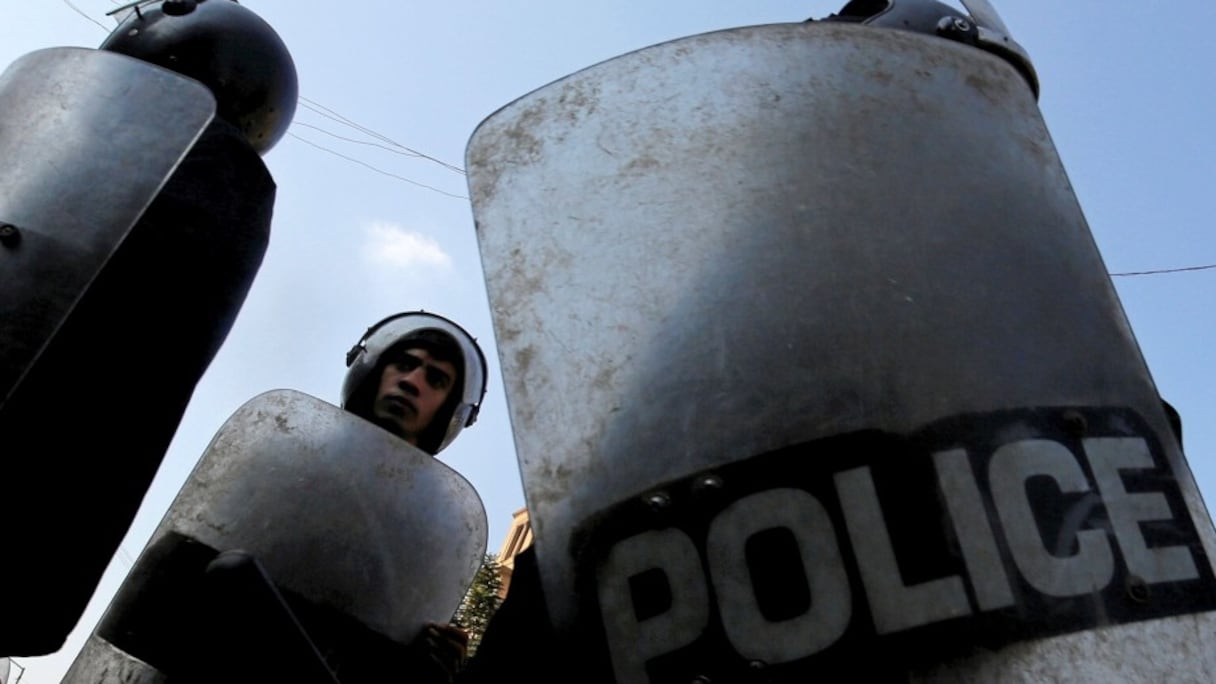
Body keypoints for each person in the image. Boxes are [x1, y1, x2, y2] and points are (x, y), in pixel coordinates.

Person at [339, 311, 490, 682]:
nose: (411, 381)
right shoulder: (287, 456)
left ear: (449, 412)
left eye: (435, 379)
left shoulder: (435, 532)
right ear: (373, 371)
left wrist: (435, 658)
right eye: (404, 364)